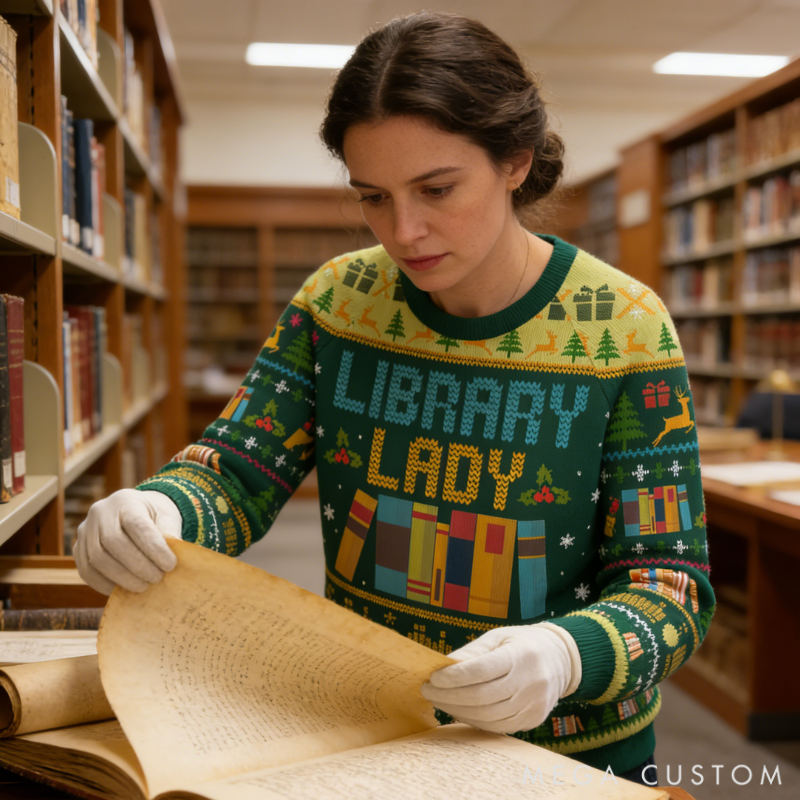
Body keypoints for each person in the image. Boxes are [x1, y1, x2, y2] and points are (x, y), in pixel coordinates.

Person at [75, 11, 713, 786]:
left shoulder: (627, 328)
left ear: (515, 161)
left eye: (437, 188)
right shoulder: (337, 301)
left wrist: (567, 654)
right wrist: (161, 509)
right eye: (373, 196)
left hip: (565, 758)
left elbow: (669, 584)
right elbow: (236, 470)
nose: (404, 231)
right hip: (371, 733)